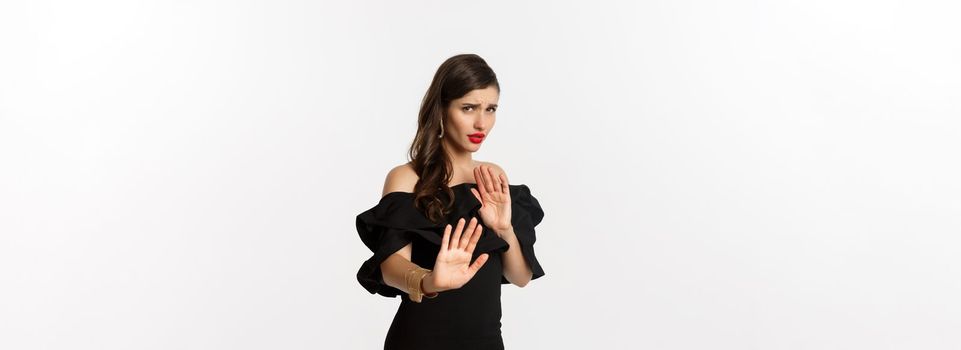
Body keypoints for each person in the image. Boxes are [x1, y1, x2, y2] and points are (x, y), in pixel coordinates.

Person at [354, 53, 546, 350]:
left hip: (486, 342)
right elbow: (391, 266)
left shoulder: (492, 176)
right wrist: (430, 281)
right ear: (442, 110)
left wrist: (505, 229)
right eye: (468, 108)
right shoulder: (406, 178)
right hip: (420, 340)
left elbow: (520, 277)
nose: (481, 122)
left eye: (491, 109)